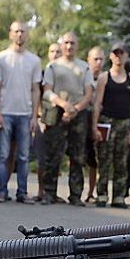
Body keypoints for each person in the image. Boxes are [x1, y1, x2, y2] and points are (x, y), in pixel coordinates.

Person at [41, 31, 93, 205]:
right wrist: (64, 105)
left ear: (77, 45)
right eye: (66, 43)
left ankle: (76, 195)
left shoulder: (84, 67)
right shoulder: (53, 66)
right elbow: (47, 90)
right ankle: (49, 193)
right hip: (57, 114)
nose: (69, 46)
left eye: (73, 43)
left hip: (78, 115)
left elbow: (88, 94)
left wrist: (74, 110)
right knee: (53, 155)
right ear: (61, 45)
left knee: (78, 157)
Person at [0, 21, 40, 204]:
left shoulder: (34, 60)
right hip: (5, 112)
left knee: (24, 156)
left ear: (27, 35)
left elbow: (36, 89)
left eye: (23, 31)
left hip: (25, 113)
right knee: (3, 155)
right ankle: (2, 191)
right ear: (10, 34)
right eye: (16, 31)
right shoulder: (1, 58)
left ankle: (22, 191)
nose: (20, 34)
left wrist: (35, 115)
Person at [91, 41, 130, 208]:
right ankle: (101, 194)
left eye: (122, 53)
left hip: (124, 124)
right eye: (116, 53)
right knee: (104, 159)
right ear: (111, 56)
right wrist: (94, 126)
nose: (119, 56)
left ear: (126, 55)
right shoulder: (105, 77)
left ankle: (119, 196)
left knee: (121, 161)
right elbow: (97, 103)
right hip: (106, 123)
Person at [33, 41, 62, 202]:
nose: (55, 54)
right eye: (52, 51)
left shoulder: (63, 72)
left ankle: (52, 192)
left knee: (55, 158)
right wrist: (39, 117)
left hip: (59, 119)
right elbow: (38, 95)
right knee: (42, 158)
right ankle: (40, 190)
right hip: (43, 119)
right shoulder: (43, 73)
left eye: (58, 51)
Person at [83, 45, 105, 202]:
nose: (98, 62)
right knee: (77, 157)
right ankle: (75, 192)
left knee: (95, 159)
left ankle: (92, 192)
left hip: (99, 121)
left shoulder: (106, 78)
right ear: (88, 60)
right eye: (95, 59)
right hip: (82, 118)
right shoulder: (83, 75)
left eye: (101, 59)